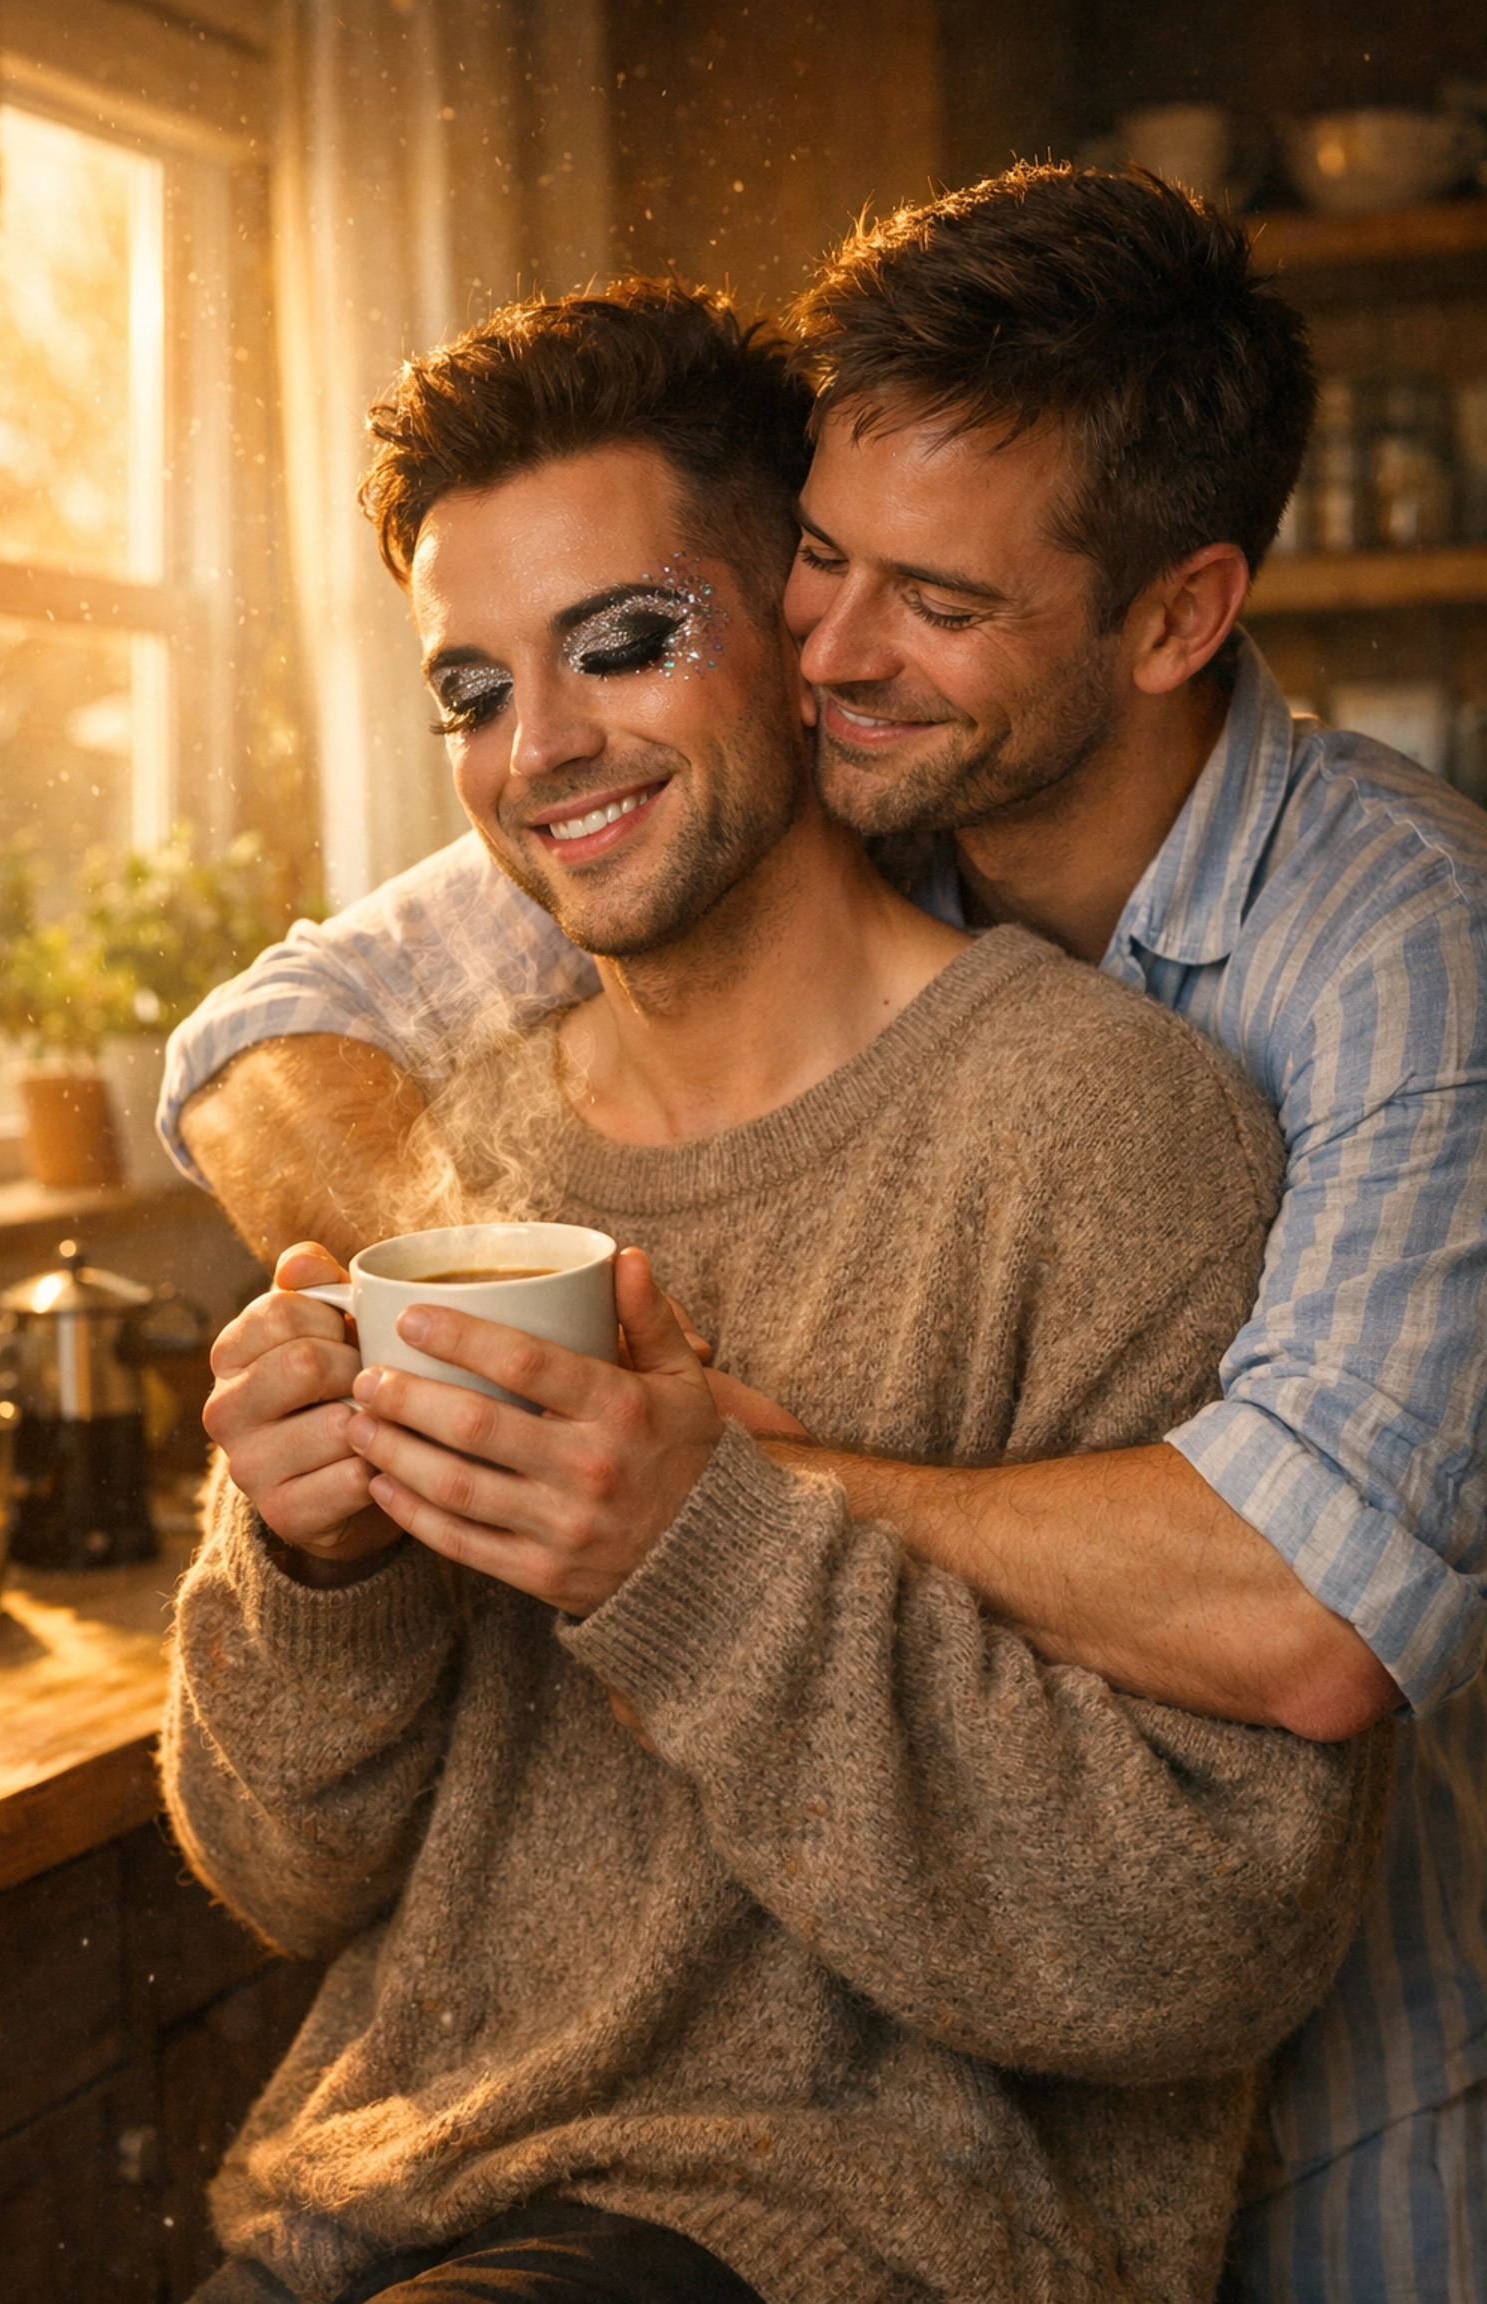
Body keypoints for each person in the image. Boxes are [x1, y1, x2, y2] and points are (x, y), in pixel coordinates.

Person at [167, 171, 1487, 2300]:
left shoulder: (1332, 1004)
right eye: (468, 689)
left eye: (627, 636)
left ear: (1170, 618)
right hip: (373, 2201)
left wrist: (679, 1500)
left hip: (940, 2202)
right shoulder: (487, 1113)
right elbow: (279, 1016)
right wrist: (325, 1545)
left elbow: (1310, 1635)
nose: (841, 648)